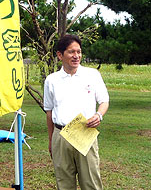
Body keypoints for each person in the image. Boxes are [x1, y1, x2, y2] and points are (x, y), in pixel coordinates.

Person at [44, 34, 109, 190]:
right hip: (61, 134)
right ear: (60, 55)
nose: (76, 56)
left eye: (79, 52)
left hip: (85, 132)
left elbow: (104, 101)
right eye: (71, 52)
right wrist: (51, 140)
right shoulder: (51, 80)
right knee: (64, 182)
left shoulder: (92, 75)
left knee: (91, 182)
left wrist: (98, 115)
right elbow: (49, 112)